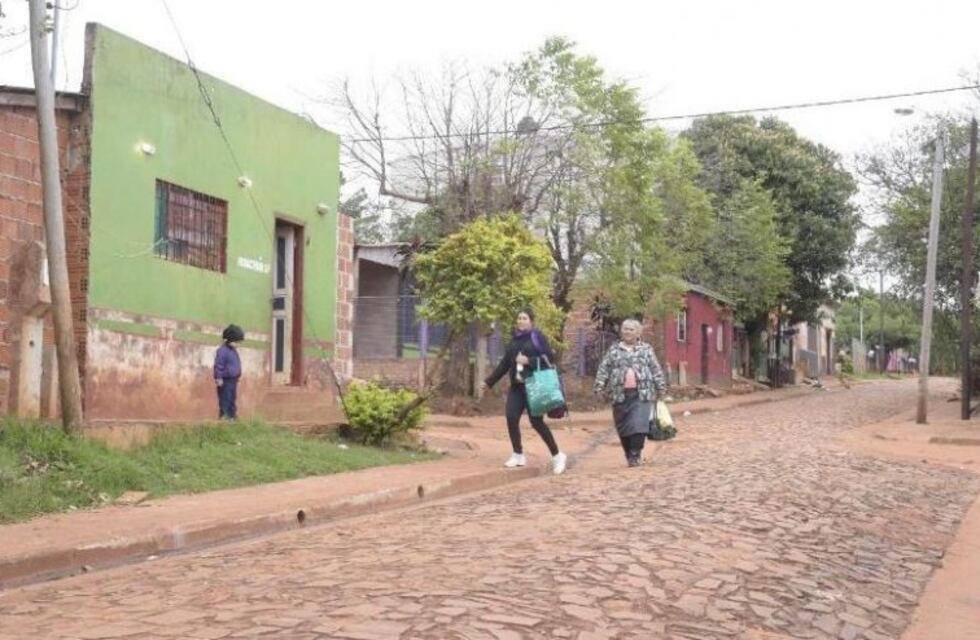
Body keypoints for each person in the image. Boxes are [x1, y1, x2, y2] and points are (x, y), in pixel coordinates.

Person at [482, 309, 568, 475]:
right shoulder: (514, 341)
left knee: (536, 422)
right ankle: (518, 454)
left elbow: (549, 358)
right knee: (511, 417)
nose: (521, 321)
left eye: (524, 318)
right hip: (517, 387)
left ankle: (558, 455)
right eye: (519, 318)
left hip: (533, 386)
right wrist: (488, 382)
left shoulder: (537, 337)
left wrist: (529, 361)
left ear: (531, 321)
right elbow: (505, 364)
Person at [593, 319, 667, 467]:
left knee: (639, 425)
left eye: (631, 329)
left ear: (638, 333)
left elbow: (655, 369)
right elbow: (604, 369)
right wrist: (599, 387)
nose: (627, 331)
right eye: (625, 329)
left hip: (642, 394)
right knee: (623, 427)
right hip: (619, 394)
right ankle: (629, 453)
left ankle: (635, 454)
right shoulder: (614, 350)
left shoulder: (646, 349)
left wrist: (661, 388)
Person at [214, 324, 244, 420]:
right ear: (229, 340)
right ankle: (224, 416)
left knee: (232, 398)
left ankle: (232, 416)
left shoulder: (233, 351)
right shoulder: (222, 351)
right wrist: (218, 378)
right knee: (225, 398)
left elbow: (235, 364)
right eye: (236, 342)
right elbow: (219, 365)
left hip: (233, 380)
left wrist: (237, 375)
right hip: (225, 380)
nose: (238, 344)